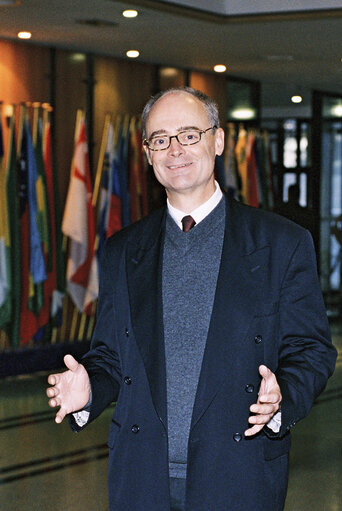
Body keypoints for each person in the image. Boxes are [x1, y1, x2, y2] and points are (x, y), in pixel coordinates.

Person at [46, 87, 337, 511]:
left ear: (217, 141)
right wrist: (89, 387)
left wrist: (282, 396)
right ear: (147, 154)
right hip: (141, 479)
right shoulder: (123, 249)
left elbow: (311, 350)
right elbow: (111, 355)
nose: (175, 150)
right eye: (160, 139)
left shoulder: (281, 243)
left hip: (238, 476)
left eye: (189, 134)